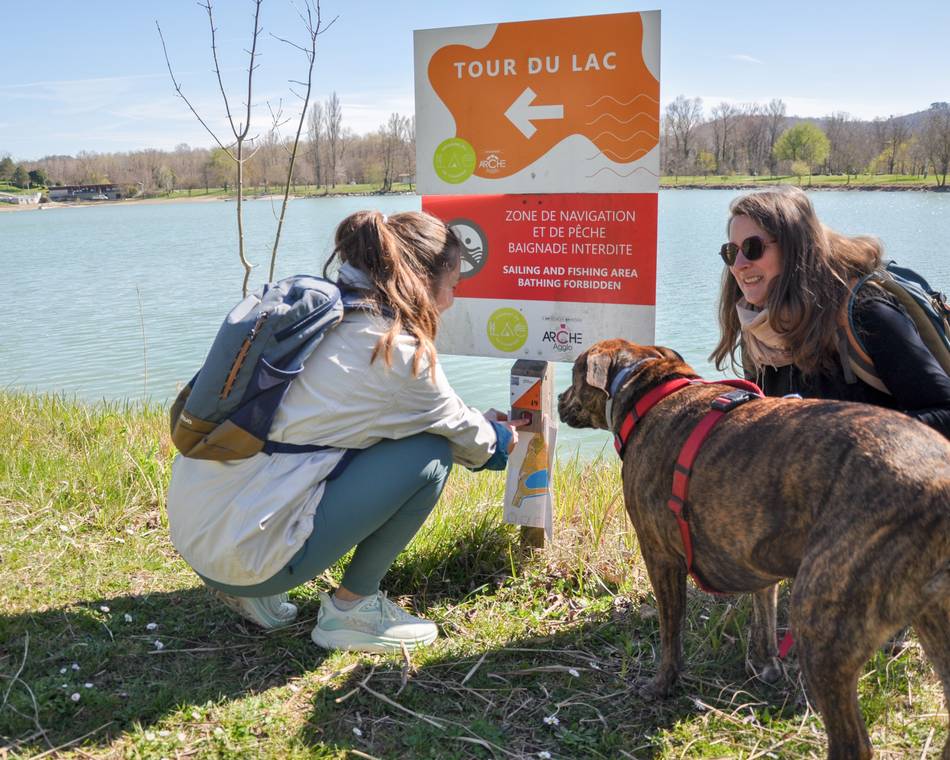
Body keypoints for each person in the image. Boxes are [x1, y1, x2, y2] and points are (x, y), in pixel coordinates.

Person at [166, 210, 527, 653]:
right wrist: (503, 437)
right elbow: (472, 443)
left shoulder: (317, 315)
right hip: (244, 554)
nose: (452, 300)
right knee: (429, 455)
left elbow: (392, 410)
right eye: (452, 284)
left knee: (352, 442)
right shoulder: (396, 351)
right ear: (421, 279)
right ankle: (351, 612)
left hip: (195, 528)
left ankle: (246, 588)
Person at [711, 185, 950, 439]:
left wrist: (840, 439)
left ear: (795, 248)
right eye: (731, 252)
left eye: (752, 248)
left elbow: (944, 414)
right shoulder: (757, 330)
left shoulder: (866, 314)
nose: (739, 265)